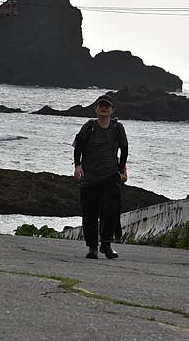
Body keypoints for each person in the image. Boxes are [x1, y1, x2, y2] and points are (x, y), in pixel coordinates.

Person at [73, 94, 128, 259]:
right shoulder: (88, 127)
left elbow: (124, 149)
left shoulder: (118, 128)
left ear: (112, 110)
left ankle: (106, 245)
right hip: (89, 178)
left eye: (107, 106)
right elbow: (78, 148)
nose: (104, 108)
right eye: (101, 105)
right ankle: (92, 247)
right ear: (96, 108)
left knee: (109, 212)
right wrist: (77, 166)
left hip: (110, 176)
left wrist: (121, 170)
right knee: (89, 213)